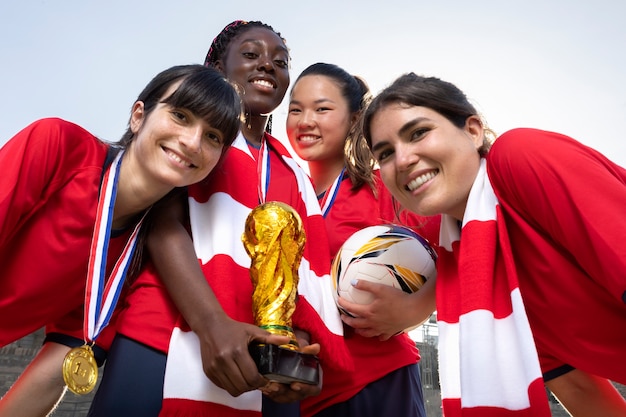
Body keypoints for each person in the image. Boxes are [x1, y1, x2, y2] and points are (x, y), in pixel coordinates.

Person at [87, 21, 348, 417]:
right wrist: (212, 326)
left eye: (280, 61)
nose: (267, 65)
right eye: (250, 55)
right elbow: (162, 225)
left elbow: (303, 273)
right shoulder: (195, 140)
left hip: (261, 356)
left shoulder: (294, 171)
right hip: (166, 332)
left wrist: (295, 347)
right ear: (217, 66)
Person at [359, 72, 626, 416]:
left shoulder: (521, 157)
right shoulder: (476, 268)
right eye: (385, 153)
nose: (403, 159)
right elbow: (581, 391)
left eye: (419, 132)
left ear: (473, 130)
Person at [0, 64, 242, 417]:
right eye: (180, 115)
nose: (192, 142)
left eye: (213, 137)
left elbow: (60, 361)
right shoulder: (58, 148)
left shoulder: (140, 256)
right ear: (138, 115)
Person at [285, 62, 439, 417]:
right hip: (300, 392)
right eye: (296, 109)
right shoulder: (282, 194)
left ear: (355, 118)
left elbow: (459, 249)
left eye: (322, 109)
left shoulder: (385, 186)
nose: (305, 121)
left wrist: (420, 306)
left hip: (377, 381)